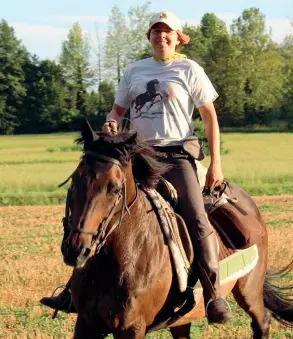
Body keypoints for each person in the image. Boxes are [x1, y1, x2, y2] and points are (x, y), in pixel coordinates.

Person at [41, 11, 231, 324]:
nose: (161, 37)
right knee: (101, 207)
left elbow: (209, 116)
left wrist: (216, 165)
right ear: (149, 38)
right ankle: (76, 288)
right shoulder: (134, 71)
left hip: (176, 156)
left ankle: (213, 294)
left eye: (167, 32)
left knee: (196, 216)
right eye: (155, 32)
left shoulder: (189, 69)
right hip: (137, 156)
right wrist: (111, 124)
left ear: (178, 37)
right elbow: (117, 110)